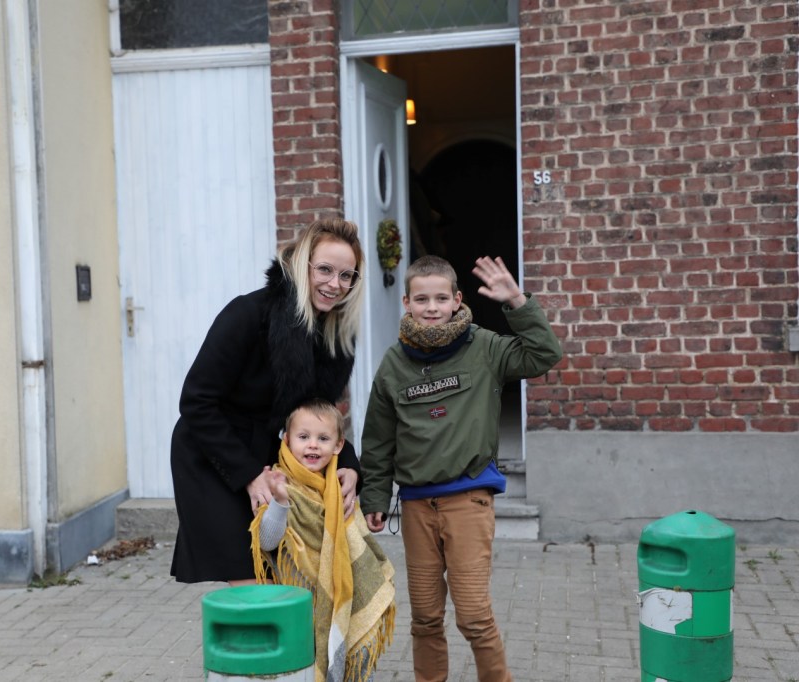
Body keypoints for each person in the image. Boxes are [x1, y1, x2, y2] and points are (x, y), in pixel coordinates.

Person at [359, 255, 563, 682]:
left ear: (456, 300)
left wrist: (517, 302)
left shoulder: (484, 347)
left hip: (468, 501)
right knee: (425, 618)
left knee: (473, 615)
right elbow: (378, 438)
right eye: (421, 299)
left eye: (440, 298)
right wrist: (374, 496)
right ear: (406, 303)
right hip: (416, 507)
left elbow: (544, 354)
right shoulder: (394, 364)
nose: (431, 307)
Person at [171, 218, 366, 584]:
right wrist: (248, 473)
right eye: (325, 270)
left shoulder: (336, 337)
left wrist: (350, 467)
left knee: (279, 575)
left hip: (263, 456)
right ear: (302, 264)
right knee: (248, 577)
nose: (334, 284)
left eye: (346, 276)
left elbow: (318, 418)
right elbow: (196, 401)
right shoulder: (248, 313)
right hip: (211, 453)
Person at [250, 400, 395, 682]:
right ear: (287, 440)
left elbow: (357, 541)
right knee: (303, 666)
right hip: (301, 600)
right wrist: (280, 502)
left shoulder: (340, 486)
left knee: (355, 655)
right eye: (304, 437)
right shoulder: (279, 481)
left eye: (323, 439)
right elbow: (267, 542)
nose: (313, 445)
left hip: (345, 591)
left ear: (339, 445)